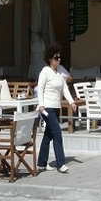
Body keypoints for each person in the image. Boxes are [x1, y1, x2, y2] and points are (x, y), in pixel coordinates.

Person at [36, 43, 77, 173]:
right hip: (46, 108)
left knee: (48, 135)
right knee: (57, 133)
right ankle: (61, 163)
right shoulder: (45, 72)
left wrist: (71, 102)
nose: (58, 60)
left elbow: (64, 88)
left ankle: (41, 163)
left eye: (59, 58)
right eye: (56, 58)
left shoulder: (59, 72)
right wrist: (41, 105)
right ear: (50, 59)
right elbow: (40, 88)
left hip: (56, 107)